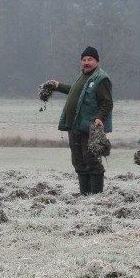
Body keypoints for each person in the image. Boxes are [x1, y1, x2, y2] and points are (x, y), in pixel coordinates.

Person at [50, 46, 113, 195]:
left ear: (97, 61)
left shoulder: (101, 78)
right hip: (74, 126)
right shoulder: (83, 76)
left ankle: (95, 197)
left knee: (91, 161)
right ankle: (84, 195)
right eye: (84, 60)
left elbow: (107, 103)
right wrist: (58, 86)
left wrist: (99, 117)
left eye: (90, 59)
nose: (86, 62)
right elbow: (74, 91)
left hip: (89, 128)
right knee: (79, 162)